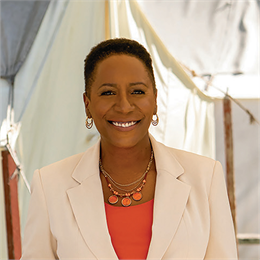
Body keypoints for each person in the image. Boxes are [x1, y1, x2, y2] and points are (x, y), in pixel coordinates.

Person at [21, 38, 238, 259]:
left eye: (137, 92)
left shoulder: (204, 177)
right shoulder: (50, 185)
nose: (124, 106)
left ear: (155, 100)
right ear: (87, 105)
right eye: (108, 93)